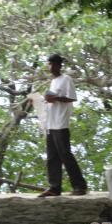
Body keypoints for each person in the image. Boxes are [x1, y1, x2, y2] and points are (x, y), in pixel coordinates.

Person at [38, 54, 88, 197]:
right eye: (49, 64)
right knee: (52, 156)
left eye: (53, 64)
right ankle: (54, 187)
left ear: (59, 65)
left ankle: (79, 186)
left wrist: (56, 98)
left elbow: (72, 97)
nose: (50, 67)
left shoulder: (66, 79)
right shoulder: (53, 82)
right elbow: (51, 99)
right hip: (51, 123)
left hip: (61, 122)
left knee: (65, 154)